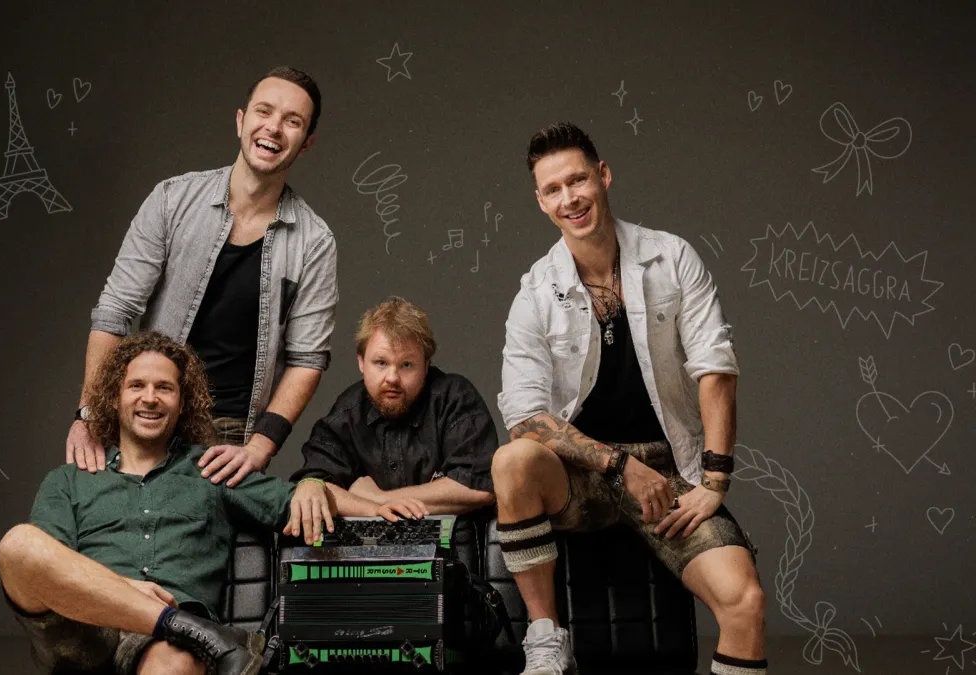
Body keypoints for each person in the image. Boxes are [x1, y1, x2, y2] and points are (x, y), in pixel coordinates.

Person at [491, 123, 766, 675]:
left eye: (578, 180)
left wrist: (714, 481)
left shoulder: (671, 257)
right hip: (581, 474)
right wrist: (620, 466)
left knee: (745, 603)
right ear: (541, 202)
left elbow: (716, 368)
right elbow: (525, 418)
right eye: (553, 189)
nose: (570, 199)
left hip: (670, 470)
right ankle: (545, 638)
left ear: (604, 176)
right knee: (512, 460)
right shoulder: (536, 291)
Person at [0, 331, 341, 675]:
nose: (150, 398)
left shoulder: (211, 469)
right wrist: (125, 590)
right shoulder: (68, 480)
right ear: (114, 397)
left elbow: (303, 501)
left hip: (167, 646)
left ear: (182, 402)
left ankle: (183, 629)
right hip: (82, 630)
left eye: (164, 388)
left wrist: (313, 483)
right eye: (136, 386)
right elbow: (43, 572)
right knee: (18, 543)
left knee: (173, 662)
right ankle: (199, 633)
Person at [67, 66, 338, 488]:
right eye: (264, 111)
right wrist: (89, 415)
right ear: (240, 121)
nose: (274, 128)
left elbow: (307, 359)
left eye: (293, 121)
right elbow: (115, 312)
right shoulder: (171, 200)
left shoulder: (315, 242)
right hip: (145, 417)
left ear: (306, 143)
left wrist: (260, 448)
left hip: (228, 438)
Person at [291, 296, 497, 518]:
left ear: (426, 366)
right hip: (371, 541)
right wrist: (369, 506)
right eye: (381, 363)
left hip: (452, 540)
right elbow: (314, 485)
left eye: (406, 365)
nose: (392, 378)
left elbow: (478, 487)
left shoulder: (454, 398)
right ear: (361, 362)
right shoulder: (347, 413)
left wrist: (378, 498)